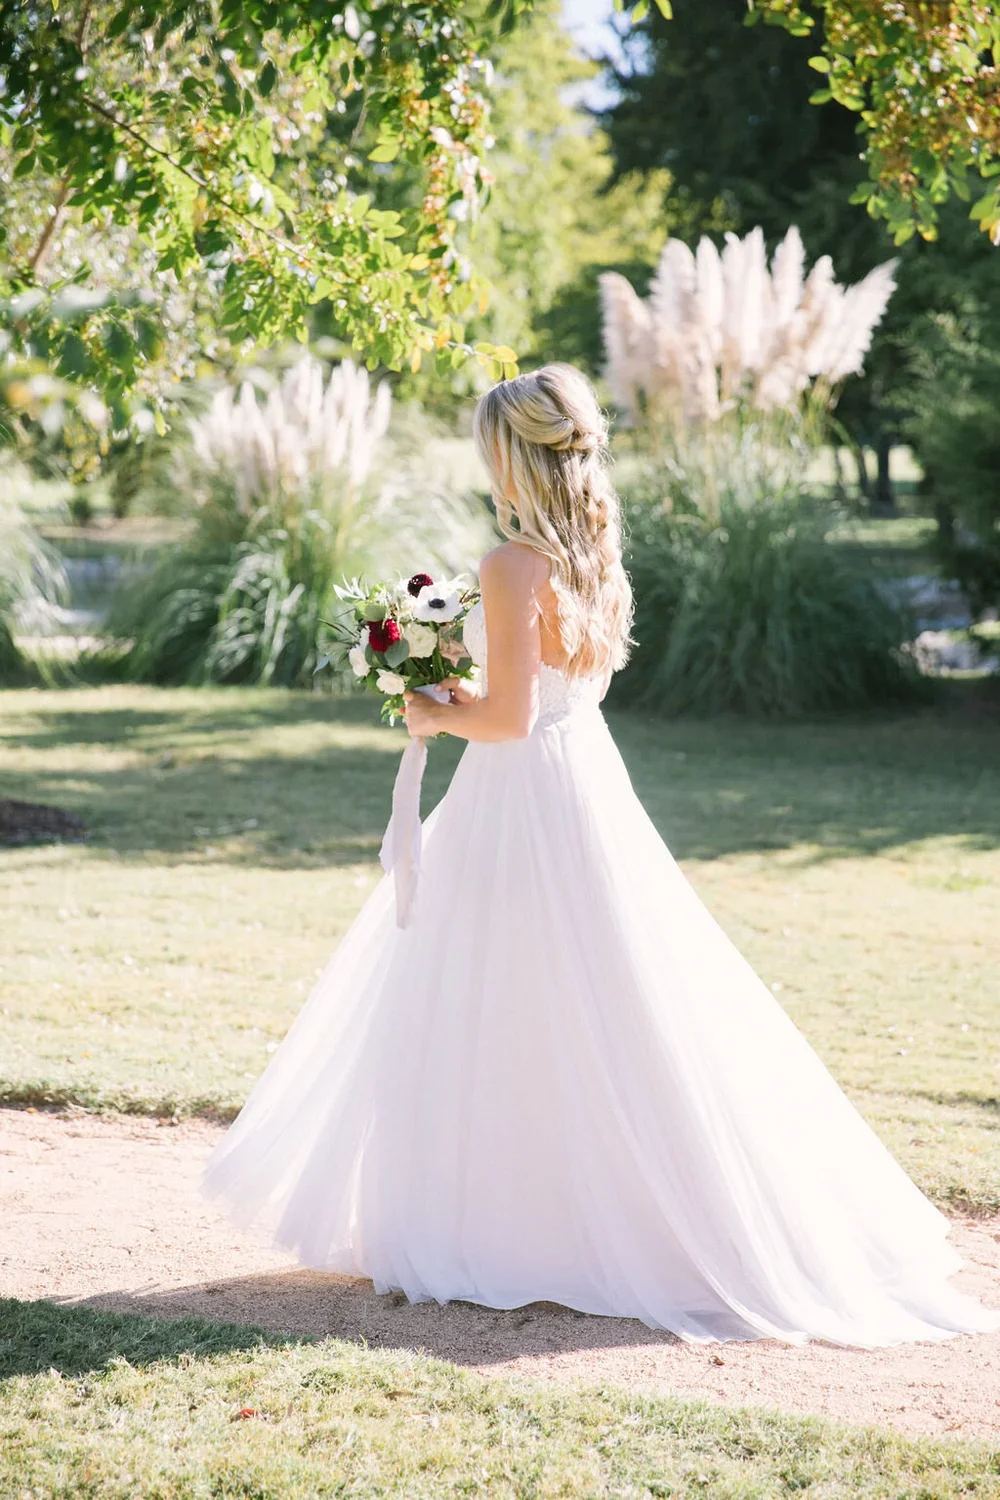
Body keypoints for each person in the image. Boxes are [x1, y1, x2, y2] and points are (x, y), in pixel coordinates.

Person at [205, 363, 998, 1347]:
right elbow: (553, 696)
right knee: (604, 990)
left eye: (488, 447)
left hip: (519, 798)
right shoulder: (590, 553)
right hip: (584, 784)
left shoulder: (510, 564)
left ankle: (512, 1228)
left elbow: (504, 716)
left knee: (499, 993)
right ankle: (608, 1219)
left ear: (513, 456)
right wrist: (455, 686)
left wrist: (426, 706)